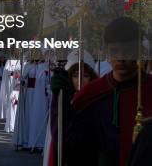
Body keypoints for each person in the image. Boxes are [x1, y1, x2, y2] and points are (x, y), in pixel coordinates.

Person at [64, 17, 152, 166]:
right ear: (105, 51)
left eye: (127, 51)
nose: (121, 58)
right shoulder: (90, 94)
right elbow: (69, 143)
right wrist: (59, 103)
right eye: (114, 51)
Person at [44, 49, 98, 166]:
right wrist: (59, 98)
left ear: (91, 77)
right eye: (75, 75)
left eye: (85, 75)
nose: (80, 80)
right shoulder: (64, 99)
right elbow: (58, 134)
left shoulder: (97, 100)